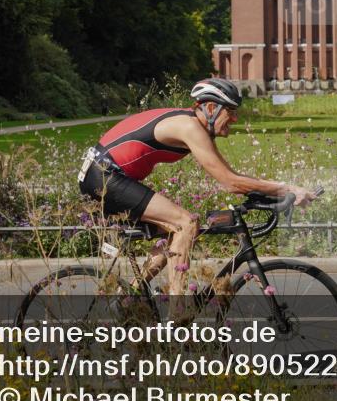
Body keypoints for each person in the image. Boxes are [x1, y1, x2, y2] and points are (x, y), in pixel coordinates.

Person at [79, 78, 316, 296]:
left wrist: (275, 191)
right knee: (186, 224)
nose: (234, 119)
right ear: (211, 109)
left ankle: (129, 297)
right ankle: (177, 311)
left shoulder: (195, 127)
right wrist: (287, 189)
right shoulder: (190, 127)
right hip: (104, 176)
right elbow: (231, 183)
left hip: (106, 175)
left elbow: (233, 177)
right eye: (230, 111)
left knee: (174, 234)